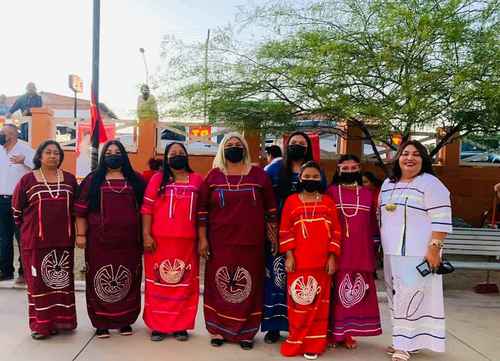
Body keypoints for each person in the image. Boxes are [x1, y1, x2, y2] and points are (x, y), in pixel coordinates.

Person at [198, 132, 277, 350]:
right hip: (220, 243)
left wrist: (273, 237)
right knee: (219, 285)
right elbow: (202, 212)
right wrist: (203, 240)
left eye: (238, 144)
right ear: (223, 149)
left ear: (245, 148)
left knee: (249, 286)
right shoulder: (213, 176)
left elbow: (271, 209)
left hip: (251, 243)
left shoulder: (259, 175)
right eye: (229, 144)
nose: (234, 147)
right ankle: (218, 330)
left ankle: (246, 333)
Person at [380, 140, 452, 361]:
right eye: (405, 153)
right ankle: (405, 340)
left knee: (409, 297)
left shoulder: (431, 183)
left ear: (424, 159)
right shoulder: (388, 183)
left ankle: (403, 345)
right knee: (396, 296)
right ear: (398, 158)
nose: (409, 158)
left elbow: (441, 219)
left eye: (416, 154)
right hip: (392, 252)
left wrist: (434, 250)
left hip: (418, 253)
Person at [75, 140, 145, 339]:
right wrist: (81, 235)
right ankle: (101, 323)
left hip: (129, 243)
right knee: (98, 279)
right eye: (109, 152)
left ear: (124, 155)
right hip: (99, 242)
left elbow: (147, 210)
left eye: (117, 152)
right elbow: (81, 211)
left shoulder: (135, 180)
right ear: (103, 157)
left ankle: (125, 321)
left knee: (128, 279)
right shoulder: (93, 180)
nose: (113, 155)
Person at [262, 131, 324, 344]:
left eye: (302, 143)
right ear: (287, 146)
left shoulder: (315, 172)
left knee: (302, 279)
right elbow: (264, 198)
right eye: (294, 143)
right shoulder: (275, 169)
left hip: (309, 233)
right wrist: (270, 230)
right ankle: (274, 328)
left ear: (308, 148)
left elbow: (323, 200)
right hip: (280, 231)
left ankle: (301, 326)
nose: (298, 146)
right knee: (278, 279)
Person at [12, 140, 78, 339]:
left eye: (56, 153)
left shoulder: (69, 179)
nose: (52, 156)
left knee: (60, 282)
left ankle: (62, 322)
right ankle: (41, 325)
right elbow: (17, 211)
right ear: (39, 156)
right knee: (38, 283)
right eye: (48, 152)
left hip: (63, 242)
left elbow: (77, 209)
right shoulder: (27, 180)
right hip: (36, 242)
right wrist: (30, 231)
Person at [142, 142, 203, 342]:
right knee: (158, 284)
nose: (177, 156)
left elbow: (203, 214)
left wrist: (203, 239)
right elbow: (147, 209)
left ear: (187, 156)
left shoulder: (197, 180)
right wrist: (146, 235)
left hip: (187, 244)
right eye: (172, 153)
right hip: (159, 243)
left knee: (183, 284)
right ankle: (158, 326)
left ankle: (181, 326)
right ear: (166, 159)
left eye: (181, 153)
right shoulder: (158, 180)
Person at [279, 161, 341, 360]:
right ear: (300, 178)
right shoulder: (291, 201)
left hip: (322, 263)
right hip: (298, 262)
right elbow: (284, 230)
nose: (311, 179)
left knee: (319, 305)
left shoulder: (328, 202)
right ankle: (296, 340)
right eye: (307, 176)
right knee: (299, 303)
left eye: (315, 177)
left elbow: (336, 232)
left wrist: (332, 257)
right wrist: (289, 256)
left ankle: (314, 343)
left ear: (321, 179)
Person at [327, 155, 382, 349]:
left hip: (361, 250)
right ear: (338, 170)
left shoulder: (368, 194)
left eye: (354, 167)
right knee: (334, 294)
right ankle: (333, 333)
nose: (350, 171)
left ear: (359, 169)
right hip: (337, 250)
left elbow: (375, 224)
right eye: (345, 168)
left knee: (353, 294)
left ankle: (347, 333)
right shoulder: (330, 192)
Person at [0, 124, 35, 283]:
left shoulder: (25, 148)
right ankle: (5, 271)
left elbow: (39, 166)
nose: (1, 136)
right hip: (1, 200)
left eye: (3, 133)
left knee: (22, 237)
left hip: (20, 201)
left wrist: (24, 160)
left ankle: (24, 272)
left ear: (13, 135)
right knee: (3, 238)